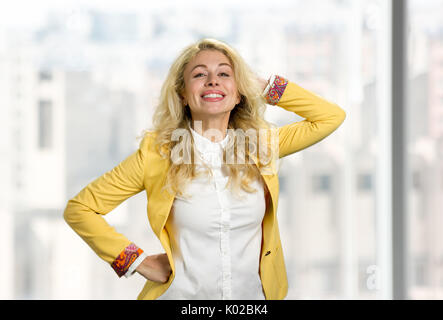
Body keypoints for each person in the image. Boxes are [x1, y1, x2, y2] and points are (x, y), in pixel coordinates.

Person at [63, 38, 346, 300]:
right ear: (183, 95)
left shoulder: (262, 146)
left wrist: (262, 86)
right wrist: (137, 261)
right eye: (199, 75)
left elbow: (330, 117)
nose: (213, 81)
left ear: (239, 94)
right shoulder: (157, 154)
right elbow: (81, 209)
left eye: (225, 74)